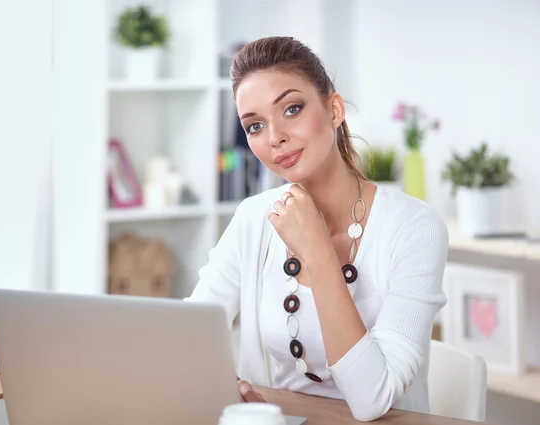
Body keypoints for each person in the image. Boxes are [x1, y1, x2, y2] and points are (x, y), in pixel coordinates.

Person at [185, 36, 449, 422]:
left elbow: (373, 400)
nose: (274, 137)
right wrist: (222, 385)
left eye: (291, 109)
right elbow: (189, 335)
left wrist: (317, 249)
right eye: (255, 125)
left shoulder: (414, 229)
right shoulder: (252, 219)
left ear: (335, 109)